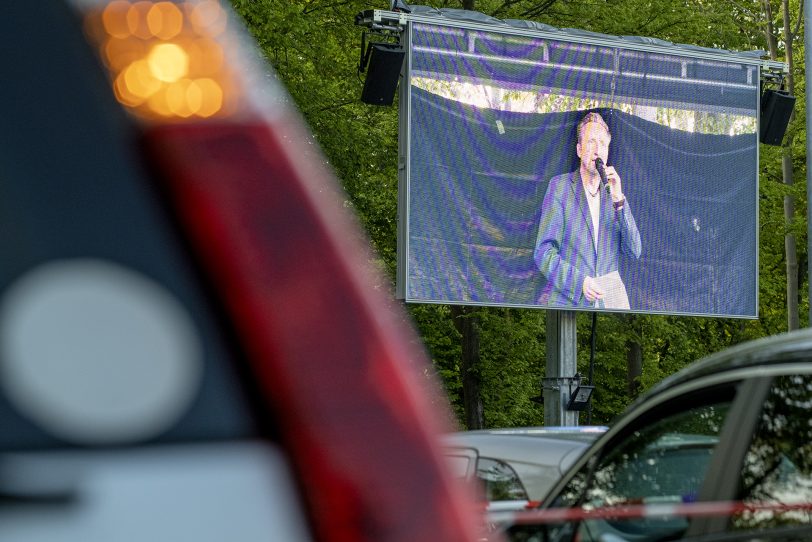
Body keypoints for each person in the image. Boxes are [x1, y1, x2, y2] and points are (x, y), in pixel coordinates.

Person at [534, 111, 641, 308]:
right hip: (569, 303)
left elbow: (634, 250)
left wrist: (619, 200)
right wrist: (580, 282)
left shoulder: (614, 194)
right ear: (579, 149)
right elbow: (543, 252)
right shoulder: (560, 187)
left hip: (611, 306)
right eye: (591, 141)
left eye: (602, 144)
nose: (597, 149)